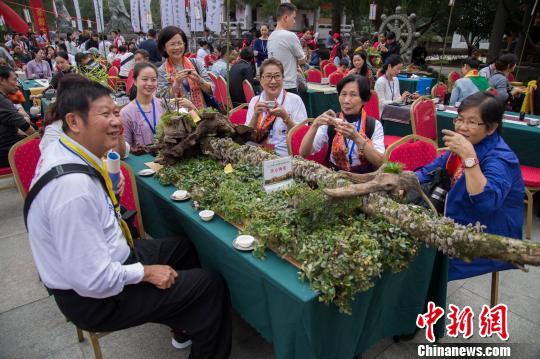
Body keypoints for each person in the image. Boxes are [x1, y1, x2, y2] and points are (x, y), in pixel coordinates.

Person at [27, 75, 232, 359]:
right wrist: (147, 273)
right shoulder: (71, 189)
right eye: (105, 114)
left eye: (115, 112)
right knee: (209, 286)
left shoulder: (69, 149)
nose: (116, 121)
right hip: (95, 299)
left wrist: (107, 189)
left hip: (111, 257)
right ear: (74, 122)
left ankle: (185, 324)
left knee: (182, 247)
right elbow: (93, 279)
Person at [416, 92, 524, 280]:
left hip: (486, 236)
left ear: (491, 128)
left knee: (416, 263)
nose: (462, 127)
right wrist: (403, 179)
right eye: (460, 119)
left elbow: (485, 203)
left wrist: (469, 157)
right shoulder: (467, 145)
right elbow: (429, 171)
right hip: (454, 217)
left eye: (472, 122)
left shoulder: (501, 158)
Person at [299, 75, 384, 173]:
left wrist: (357, 138)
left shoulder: (373, 125)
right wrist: (314, 125)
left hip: (364, 179)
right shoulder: (331, 122)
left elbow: (379, 162)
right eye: (343, 94)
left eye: (353, 95)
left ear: (364, 100)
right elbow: (303, 153)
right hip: (335, 177)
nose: (346, 100)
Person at [245, 58, 307, 156]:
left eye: (277, 76)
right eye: (268, 77)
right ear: (261, 80)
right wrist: (255, 115)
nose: (273, 81)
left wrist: (285, 118)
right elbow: (246, 136)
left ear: (283, 78)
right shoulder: (255, 101)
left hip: (285, 156)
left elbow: (303, 137)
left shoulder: (294, 100)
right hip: (258, 153)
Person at [156, 26, 213, 109]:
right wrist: (176, 85)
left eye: (179, 43)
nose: (177, 47)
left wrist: (199, 80)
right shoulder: (161, 71)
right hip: (177, 118)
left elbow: (210, 91)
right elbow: (162, 100)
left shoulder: (196, 63)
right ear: (164, 47)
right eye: (172, 44)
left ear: (184, 44)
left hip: (201, 114)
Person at [121, 63, 176, 149]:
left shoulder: (164, 105)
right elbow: (126, 147)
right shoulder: (126, 112)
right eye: (145, 79)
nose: (150, 83)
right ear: (135, 81)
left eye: (153, 80)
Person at [0, 66, 35, 166]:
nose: (17, 84)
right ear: (2, 80)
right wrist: (40, 139)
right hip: (6, 151)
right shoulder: (2, 101)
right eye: (14, 80)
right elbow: (25, 126)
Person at [267, 3, 306, 94]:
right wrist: (297, 61)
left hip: (274, 85)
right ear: (285, 18)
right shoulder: (290, 36)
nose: (294, 21)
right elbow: (303, 60)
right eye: (294, 18)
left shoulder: (271, 36)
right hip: (288, 86)